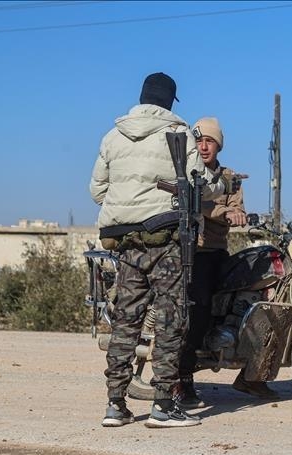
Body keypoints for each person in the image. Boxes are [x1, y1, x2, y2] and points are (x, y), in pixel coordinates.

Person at [90, 72, 233, 428]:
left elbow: (97, 191)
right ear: (169, 101)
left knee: (127, 321)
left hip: (125, 240)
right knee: (172, 319)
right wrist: (220, 184)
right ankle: (164, 406)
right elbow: (204, 186)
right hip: (165, 239)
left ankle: (115, 405)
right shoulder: (179, 133)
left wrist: (128, 201)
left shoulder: (112, 136)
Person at [176, 117, 277, 409]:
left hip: (218, 249)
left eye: (210, 141)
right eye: (199, 141)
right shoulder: (187, 174)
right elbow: (199, 205)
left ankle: (253, 375)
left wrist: (237, 214)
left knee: (256, 295)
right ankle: (182, 378)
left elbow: (236, 208)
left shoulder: (229, 177)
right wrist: (223, 212)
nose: (204, 146)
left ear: (218, 145)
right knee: (201, 306)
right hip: (194, 252)